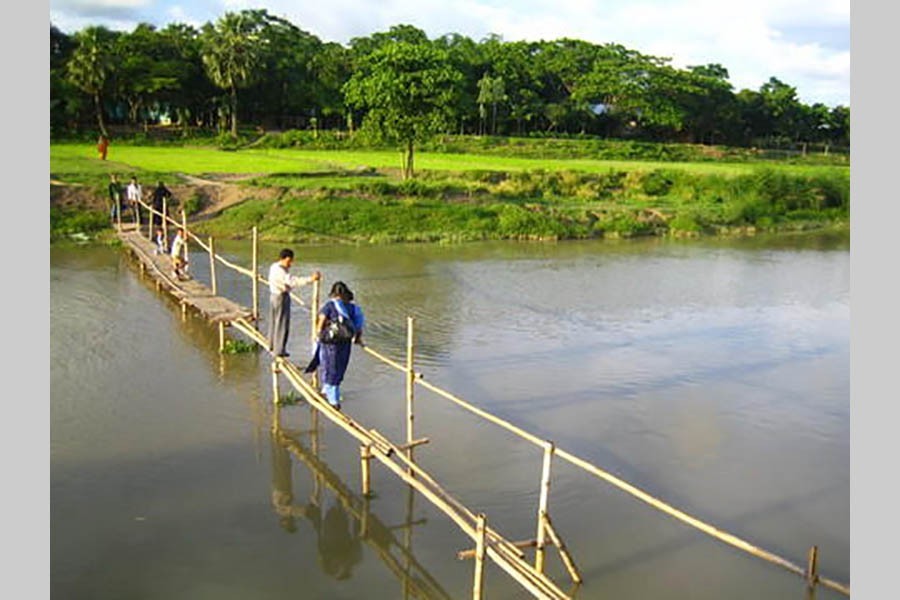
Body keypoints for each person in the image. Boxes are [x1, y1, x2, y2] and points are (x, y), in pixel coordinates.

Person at [305, 281, 365, 410]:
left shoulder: (330, 306)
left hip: (330, 343)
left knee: (329, 367)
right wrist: (358, 339)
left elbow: (320, 322)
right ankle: (329, 391)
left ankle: (333, 400)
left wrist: (317, 336)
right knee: (339, 368)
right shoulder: (354, 308)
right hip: (345, 343)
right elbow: (358, 326)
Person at [267, 249, 320, 358]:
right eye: (289, 261)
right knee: (282, 323)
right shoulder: (280, 271)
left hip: (273, 296)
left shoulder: (274, 266)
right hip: (280, 297)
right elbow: (293, 281)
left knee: (275, 321)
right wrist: (311, 279)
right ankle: (279, 350)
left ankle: (272, 344)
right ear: (284, 258)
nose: (290, 264)